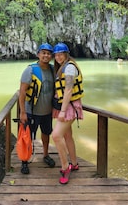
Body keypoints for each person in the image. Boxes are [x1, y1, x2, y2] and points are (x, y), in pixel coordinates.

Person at [19, 43, 55, 174]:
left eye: (48, 53)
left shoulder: (52, 70)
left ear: (51, 56)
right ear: (38, 54)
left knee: (46, 133)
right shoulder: (30, 70)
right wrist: (23, 112)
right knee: (28, 137)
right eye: (43, 53)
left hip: (47, 112)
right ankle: (25, 161)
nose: (46, 55)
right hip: (31, 111)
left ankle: (45, 155)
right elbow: (22, 92)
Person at [52, 42, 84, 184]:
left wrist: (63, 111)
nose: (58, 57)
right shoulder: (63, 68)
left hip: (69, 106)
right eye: (56, 55)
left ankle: (66, 166)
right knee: (67, 135)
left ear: (66, 54)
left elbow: (69, 90)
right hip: (66, 105)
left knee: (56, 135)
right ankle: (75, 163)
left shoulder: (70, 68)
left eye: (61, 54)